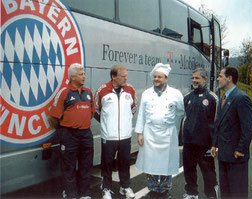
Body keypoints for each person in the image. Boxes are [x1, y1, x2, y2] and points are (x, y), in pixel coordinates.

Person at [135, 63, 185, 198]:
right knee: (150, 161)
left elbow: (180, 112)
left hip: (168, 134)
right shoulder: (146, 93)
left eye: (160, 77)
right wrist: (139, 133)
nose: (156, 79)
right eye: (155, 77)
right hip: (150, 133)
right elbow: (141, 114)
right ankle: (153, 188)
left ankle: (164, 189)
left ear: (166, 78)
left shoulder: (176, 94)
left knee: (166, 163)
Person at [48, 63, 95, 199]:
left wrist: (81, 122)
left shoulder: (88, 92)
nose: (84, 76)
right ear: (72, 77)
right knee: (68, 166)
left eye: (84, 74)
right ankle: (70, 193)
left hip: (86, 134)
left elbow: (91, 113)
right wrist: (65, 130)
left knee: (86, 165)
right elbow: (53, 117)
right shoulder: (64, 92)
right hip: (69, 135)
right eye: (81, 74)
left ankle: (84, 193)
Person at [94, 64, 137, 199]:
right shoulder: (102, 90)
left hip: (125, 135)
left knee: (124, 162)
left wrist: (125, 122)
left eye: (126, 76)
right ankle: (106, 188)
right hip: (109, 136)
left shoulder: (130, 90)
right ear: (113, 76)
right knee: (107, 163)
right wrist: (107, 124)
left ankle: (125, 186)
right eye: (123, 76)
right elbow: (96, 110)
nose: (126, 79)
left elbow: (133, 108)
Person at [211, 67, 252, 198]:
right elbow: (218, 124)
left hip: (236, 155)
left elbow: (247, 127)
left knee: (237, 191)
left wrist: (241, 148)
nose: (218, 79)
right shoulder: (223, 98)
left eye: (220, 76)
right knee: (226, 191)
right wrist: (214, 144)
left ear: (229, 78)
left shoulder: (241, 98)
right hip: (224, 154)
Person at [182, 68, 219, 199]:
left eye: (197, 78)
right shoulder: (187, 97)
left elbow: (217, 122)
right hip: (189, 142)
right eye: (193, 78)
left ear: (205, 79)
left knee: (208, 173)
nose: (194, 81)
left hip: (205, 144)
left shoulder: (212, 98)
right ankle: (191, 193)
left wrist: (215, 144)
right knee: (189, 170)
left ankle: (211, 195)